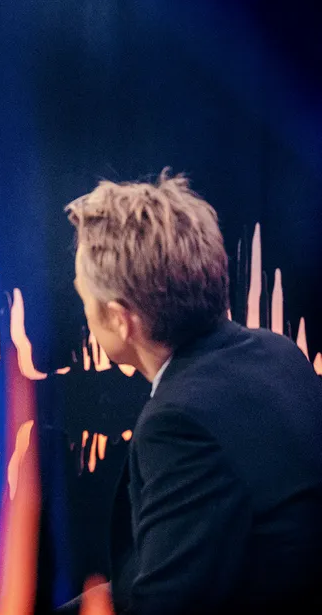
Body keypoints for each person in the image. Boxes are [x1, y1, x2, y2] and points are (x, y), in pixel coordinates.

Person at [61, 170, 322, 615]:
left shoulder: (179, 423)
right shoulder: (278, 353)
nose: (84, 314)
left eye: (84, 300)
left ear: (121, 320)